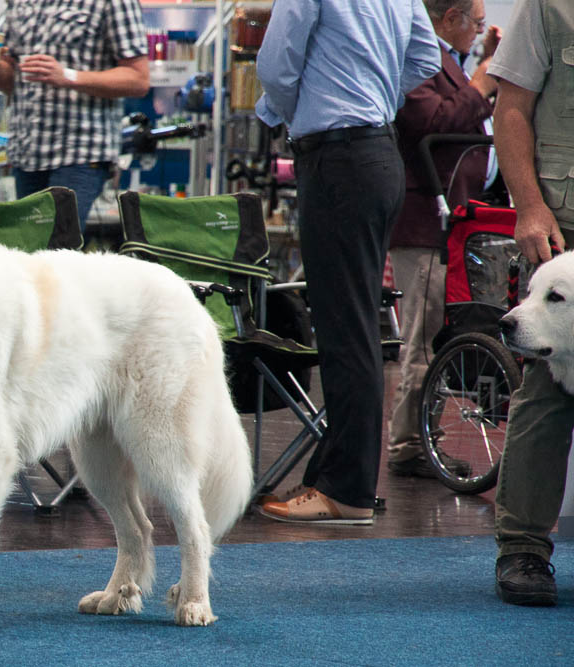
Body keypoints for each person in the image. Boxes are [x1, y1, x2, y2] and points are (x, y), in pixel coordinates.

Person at [254, 1, 442, 524]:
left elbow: (274, 66)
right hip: (379, 152)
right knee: (354, 322)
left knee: (346, 328)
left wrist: (298, 106)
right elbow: (426, 57)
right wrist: (372, 94)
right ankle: (336, 478)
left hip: (338, 157)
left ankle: (346, 488)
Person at [387, 0, 500, 479]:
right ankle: (409, 442)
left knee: (436, 332)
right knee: (423, 336)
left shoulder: (448, 62)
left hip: (456, 219)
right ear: (448, 17)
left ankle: (418, 438)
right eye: (475, 23)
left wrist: (477, 68)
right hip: (425, 221)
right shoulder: (416, 59)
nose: (478, 30)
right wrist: (481, 81)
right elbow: (433, 122)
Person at [487, 0, 574, 607]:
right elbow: (509, 108)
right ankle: (523, 548)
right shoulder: (547, 7)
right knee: (546, 391)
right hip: (562, 226)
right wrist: (528, 205)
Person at [0, 0, 150, 232]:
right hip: (28, 152)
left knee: (59, 248)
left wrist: (68, 76)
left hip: (79, 151)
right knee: (32, 249)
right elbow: (14, 85)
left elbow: (139, 79)